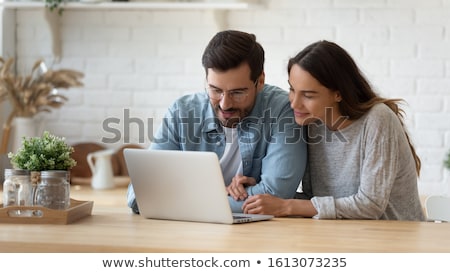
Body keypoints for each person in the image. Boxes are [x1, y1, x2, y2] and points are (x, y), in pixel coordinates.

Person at [242, 40, 425, 221]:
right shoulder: (312, 123)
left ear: (338, 93)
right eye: (292, 89)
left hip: (394, 239)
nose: (294, 103)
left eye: (308, 95)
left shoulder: (377, 119)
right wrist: (260, 193)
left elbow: (370, 205)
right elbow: (315, 202)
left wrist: (287, 206)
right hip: (342, 236)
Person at [127, 30, 307, 214]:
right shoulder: (182, 112)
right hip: (188, 232)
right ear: (206, 80)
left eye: (237, 92)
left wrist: (182, 200)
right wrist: (222, 195)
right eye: (215, 90)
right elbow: (140, 194)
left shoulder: (282, 110)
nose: (225, 104)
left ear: (260, 81)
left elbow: (276, 195)